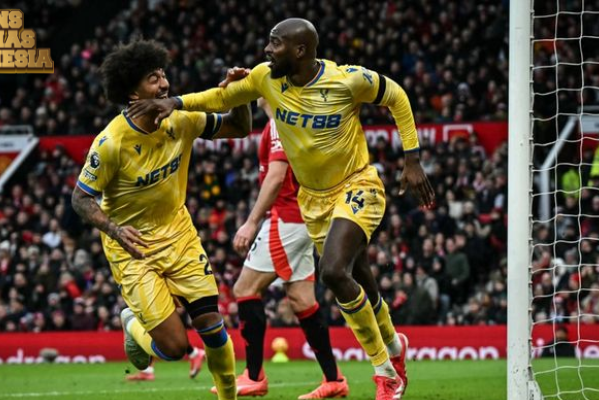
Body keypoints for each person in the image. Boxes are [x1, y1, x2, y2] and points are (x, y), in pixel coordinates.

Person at [128, 18, 434, 400]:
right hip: (313, 201)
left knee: (333, 272)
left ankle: (384, 372)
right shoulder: (265, 79)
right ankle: (393, 344)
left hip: (357, 185)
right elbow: (221, 99)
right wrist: (174, 102)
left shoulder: (347, 80)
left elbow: (397, 96)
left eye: (275, 44)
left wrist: (412, 159)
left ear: (300, 50)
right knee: (360, 278)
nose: (267, 50)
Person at [72, 39, 252, 400]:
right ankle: (131, 323)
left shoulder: (180, 119)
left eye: (163, 74)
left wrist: (239, 94)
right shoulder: (111, 143)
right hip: (133, 249)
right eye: (153, 78)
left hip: (179, 235)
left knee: (213, 328)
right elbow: (80, 198)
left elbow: (239, 127)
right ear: (132, 92)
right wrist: (113, 229)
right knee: (174, 348)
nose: (165, 84)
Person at [213, 98, 348, 399]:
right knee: (301, 300)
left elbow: (276, 176)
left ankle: (253, 376)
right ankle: (334, 379)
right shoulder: (293, 120)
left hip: (286, 218)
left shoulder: (278, 123)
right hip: (302, 218)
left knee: (245, 289)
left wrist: (251, 222)